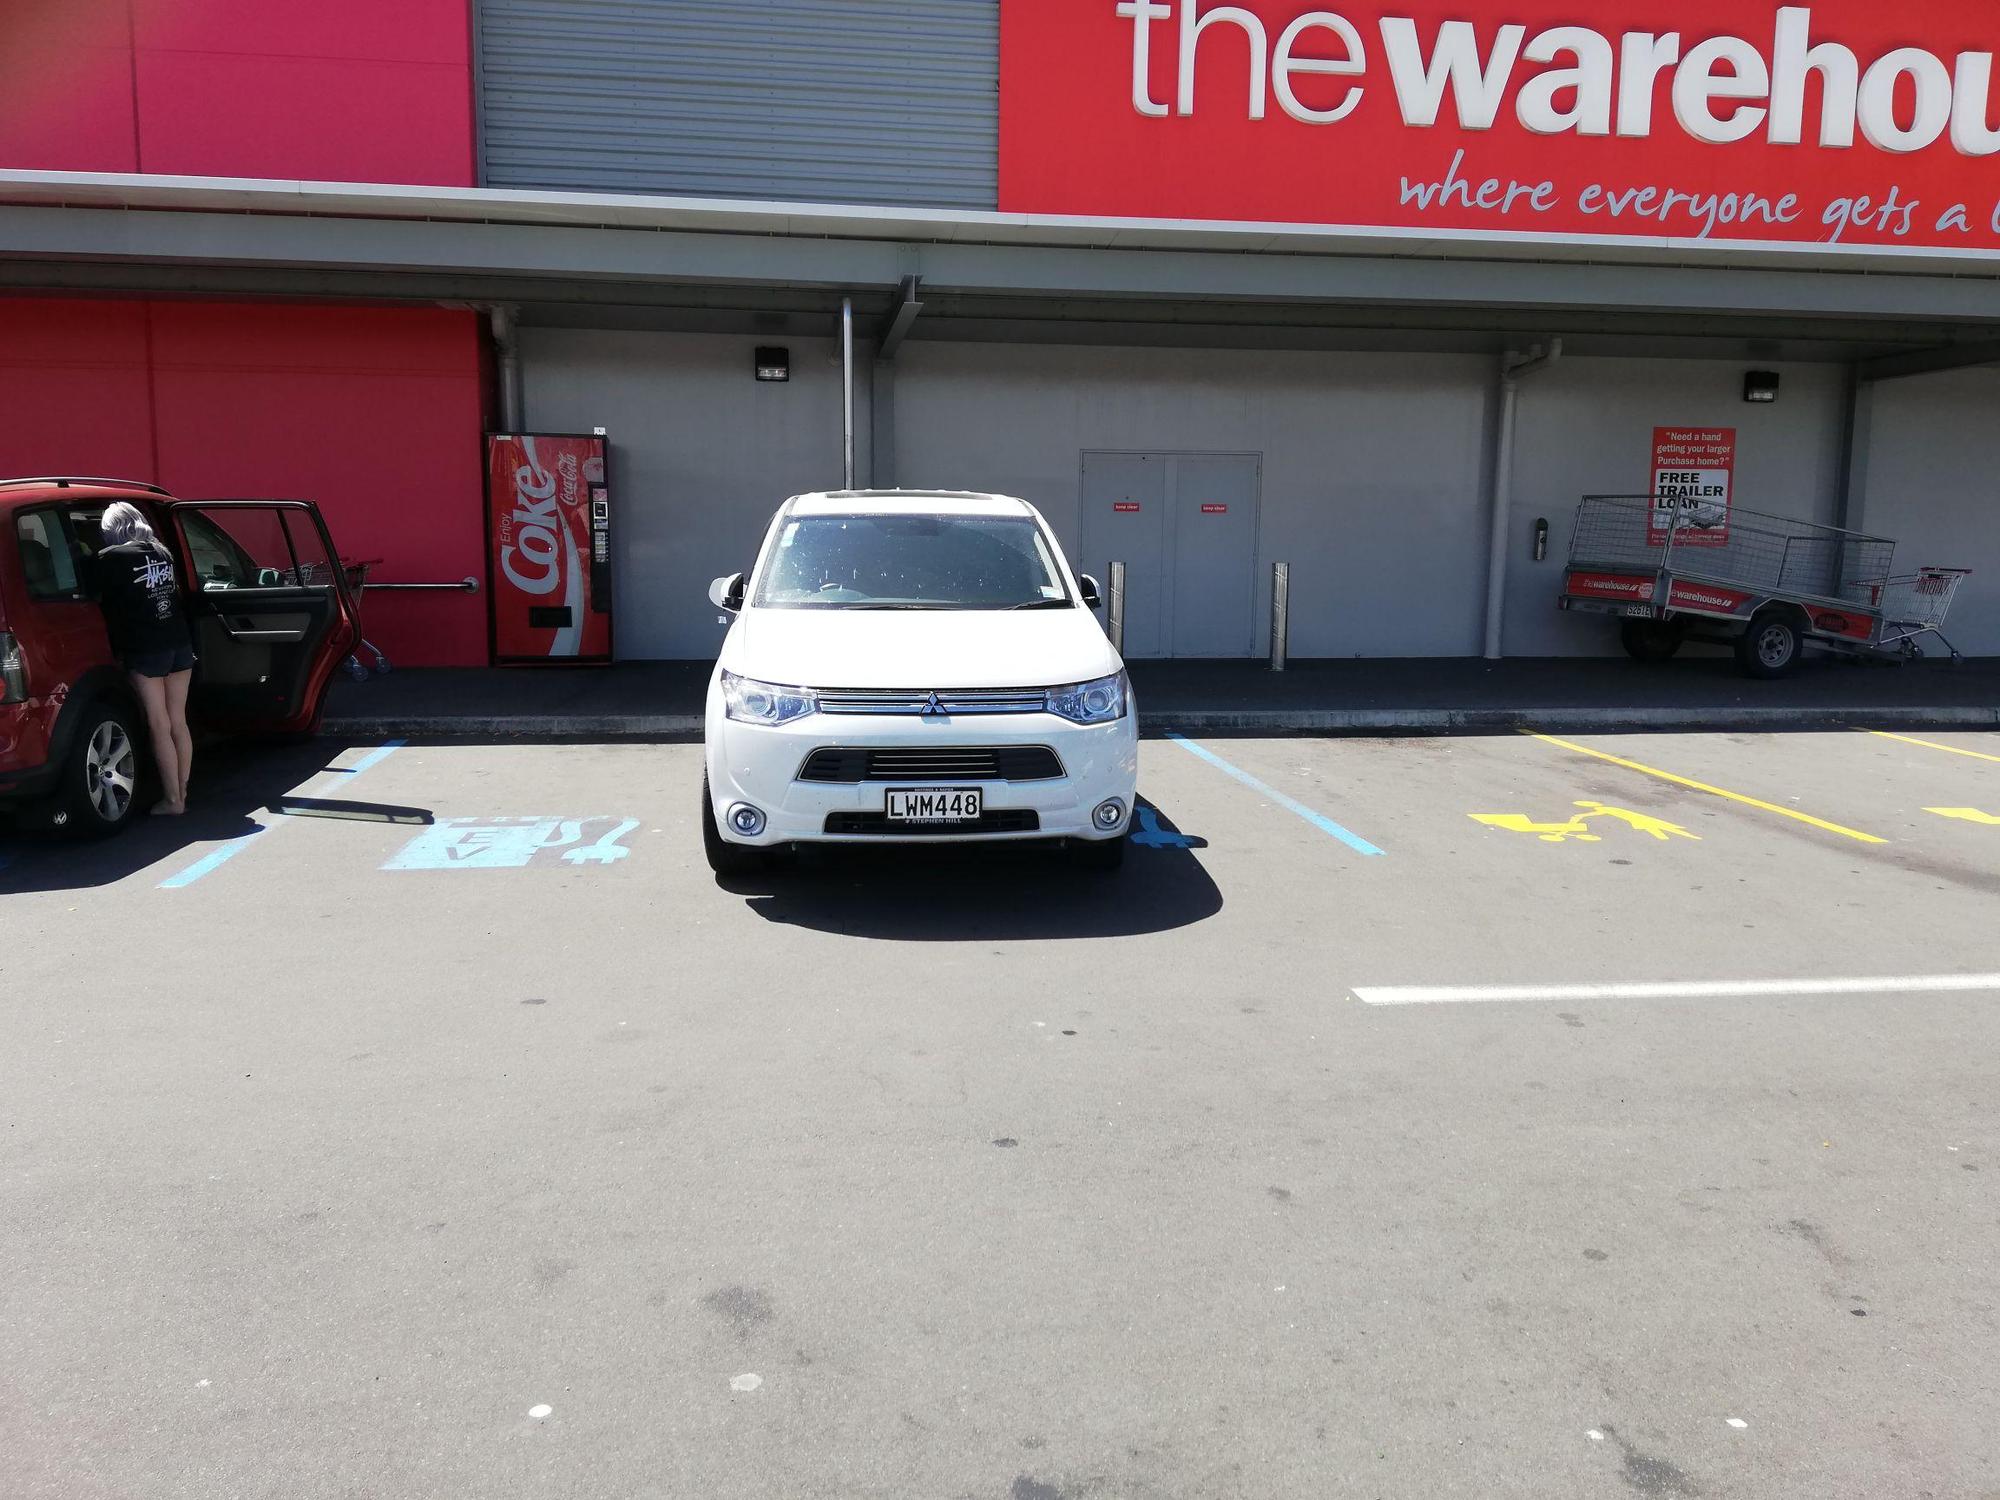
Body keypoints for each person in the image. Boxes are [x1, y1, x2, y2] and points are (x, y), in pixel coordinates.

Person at [96, 501, 195, 815]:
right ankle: (183, 791)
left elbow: (104, 599)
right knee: (178, 722)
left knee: (158, 724)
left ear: (113, 530)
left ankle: (173, 800)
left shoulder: (110, 558)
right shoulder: (161, 552)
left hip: (146, 647)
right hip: (179, 641)